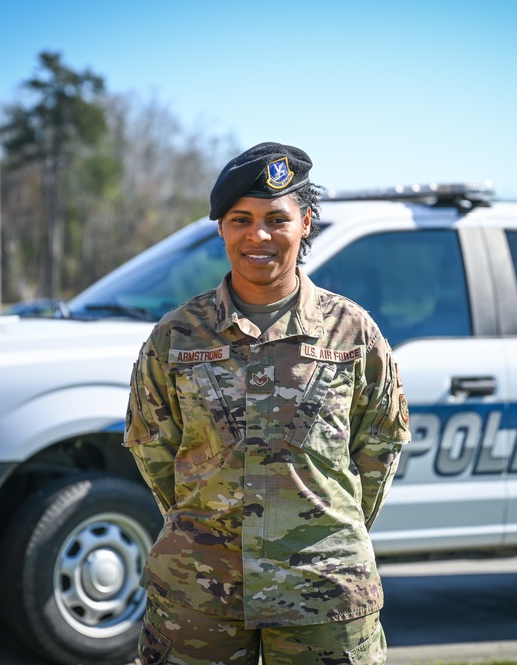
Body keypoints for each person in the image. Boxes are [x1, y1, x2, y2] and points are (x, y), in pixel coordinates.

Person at [124, 142, 410, 665]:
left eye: (277, 218)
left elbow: (379, 450)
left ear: (305, 224)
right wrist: (207, 527)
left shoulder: (353, 334)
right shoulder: (175, 337)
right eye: (241, 219)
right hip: (199, 596)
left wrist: (319, 531)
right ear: (221, 228)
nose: (258, 235)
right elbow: (155, 452)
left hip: (323, 596)